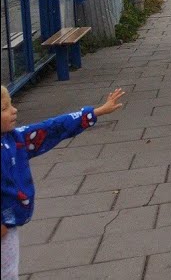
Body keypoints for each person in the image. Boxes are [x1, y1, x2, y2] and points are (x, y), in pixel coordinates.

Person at [1, 86, 126, 280]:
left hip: (7, 225)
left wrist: (95, 112)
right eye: (4, 108)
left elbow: (51, 128)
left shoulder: (14, 139)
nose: (14, 110)